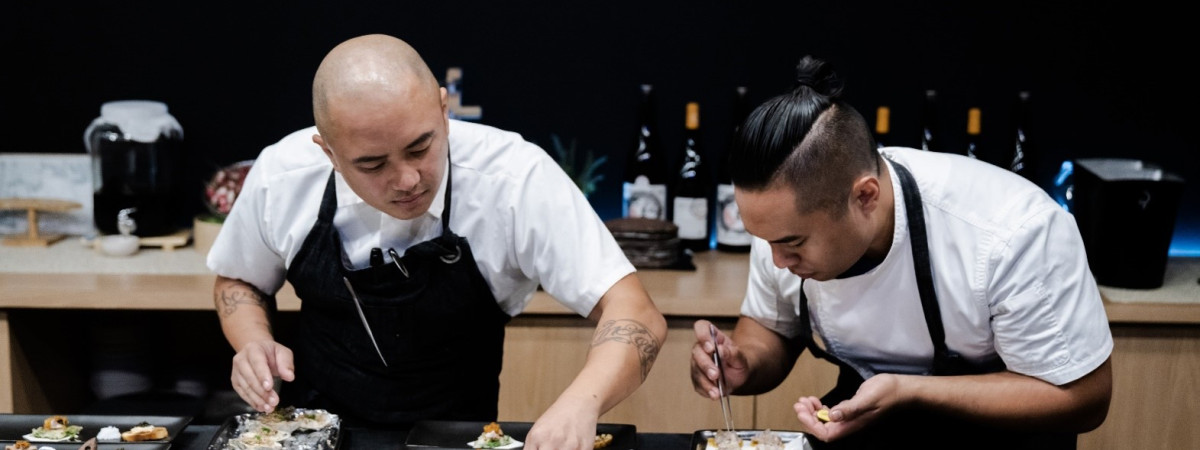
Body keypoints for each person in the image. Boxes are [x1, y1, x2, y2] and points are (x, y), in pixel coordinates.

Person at [207, 33, 666, 449]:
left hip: (457, 439)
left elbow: (635, 312)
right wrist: (252, 341)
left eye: (420, 148)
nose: (407, 179)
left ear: (444, 111)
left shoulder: (513, 180)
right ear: (328, 152)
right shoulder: (283, 176)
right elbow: (238, 279)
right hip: (315, 435)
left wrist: (581, 403)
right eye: (372, 165)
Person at [689, 55, 1112, 449]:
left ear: (865, 197)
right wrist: (743, 363)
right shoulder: (781, 222)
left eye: (793, 243)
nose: (777, 260)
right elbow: (770, 328)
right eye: (764, 240)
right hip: (865, 428)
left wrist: (909, 391)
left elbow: (1083, 396)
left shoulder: (1012, 231)